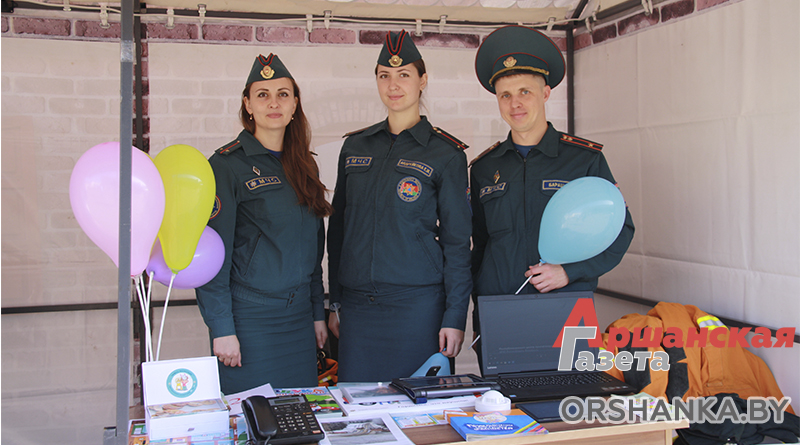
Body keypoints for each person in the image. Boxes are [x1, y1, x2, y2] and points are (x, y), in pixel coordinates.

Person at [470, 26, 635, 348]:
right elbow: (480, 245)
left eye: (525, 92)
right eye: (505, 95)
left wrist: (570, 272)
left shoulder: (584, 159)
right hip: (499, 308)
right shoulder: (484, 168)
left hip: (566, 307)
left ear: (545, 93)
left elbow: (620, 231)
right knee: (501, 385)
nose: (515, 104)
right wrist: (479, 304)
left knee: (570, 382)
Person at [327, 30, 473, 382]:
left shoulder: (445, 153)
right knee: (356, 406)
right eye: (384, 75)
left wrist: (455, 317)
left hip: (417, 309)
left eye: (404, 74)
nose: (393, 85)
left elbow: (457, 244)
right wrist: (335, 302)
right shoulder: (356, 147)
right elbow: (339, 230)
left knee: (419, 407)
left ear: (422, 81)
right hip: (358, 309)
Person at [196, 54, 331, 394]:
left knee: (300, 414)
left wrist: (317, 312)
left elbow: (313, 250)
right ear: (248, 104)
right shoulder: (226, 166)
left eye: (283, 94)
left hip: (299, 320)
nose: (274, 103)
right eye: (262, 95)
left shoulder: (305, 165)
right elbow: (211, 255)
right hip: (250, 322)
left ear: (295, 103)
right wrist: (221, 328)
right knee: (251, 416)